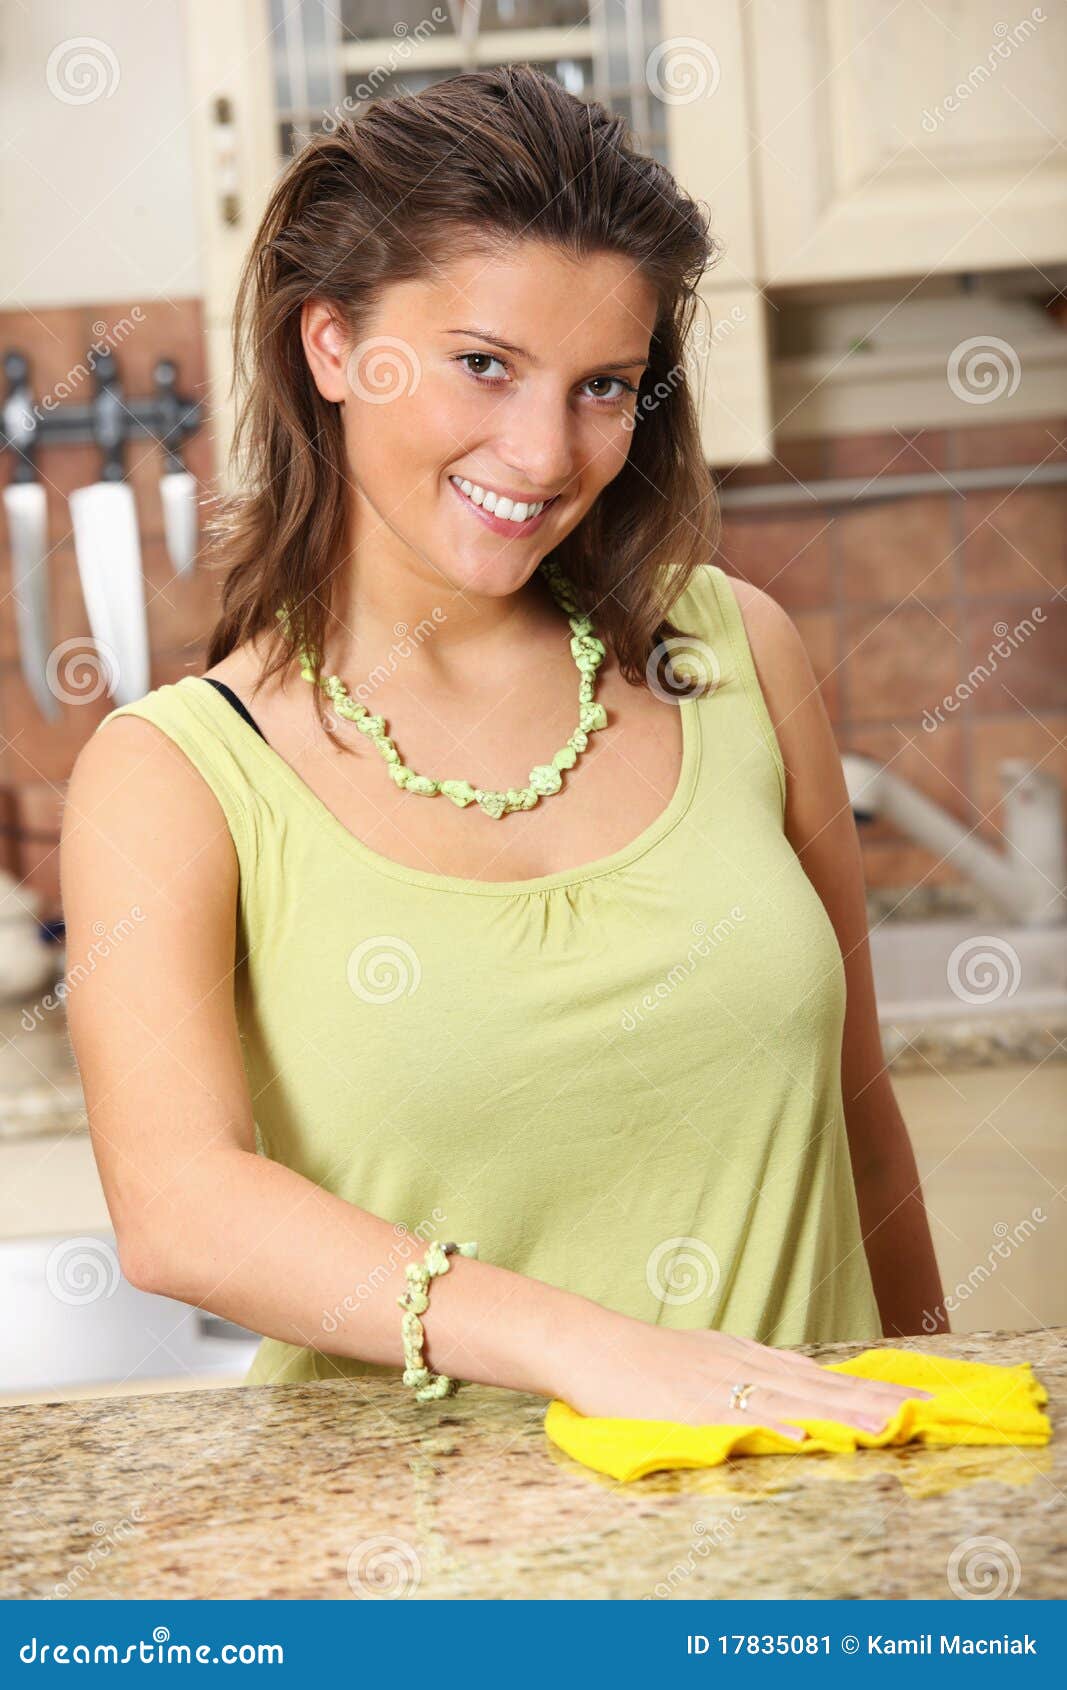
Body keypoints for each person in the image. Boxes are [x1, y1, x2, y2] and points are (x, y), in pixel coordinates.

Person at [61, 66, 944, 1438]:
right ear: (333, 345)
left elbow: (863, 1113)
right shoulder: (179, 771)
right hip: (421, 1574)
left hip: (800, 1560)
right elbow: (178, 1208)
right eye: (485, 364)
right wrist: (591, 1348)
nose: (542, 453)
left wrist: (945, 1433)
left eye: (605, 386)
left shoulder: (734, 655)